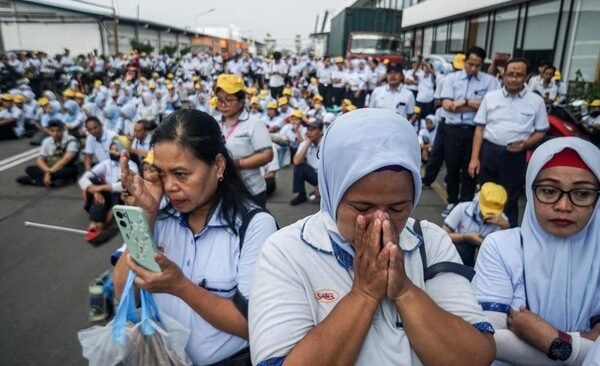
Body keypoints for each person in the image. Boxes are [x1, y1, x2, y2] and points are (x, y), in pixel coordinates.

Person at [249, 108, 495, 366]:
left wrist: (405, 291)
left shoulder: (429, 241)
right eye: (362, 208)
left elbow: (476, 355)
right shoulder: (286, 251)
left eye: (398, 208)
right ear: (332, 193)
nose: (381, 221)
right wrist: (364, 293)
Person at [114, 109, 278, 366]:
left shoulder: (254, 226)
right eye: (161, 173)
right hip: (159, 357)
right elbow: (122, 289)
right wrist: (144, 216)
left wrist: (181, 287)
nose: (169, 187)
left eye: (181, 174)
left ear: (219, 165)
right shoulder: (158, 215)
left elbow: (253, 325)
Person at [472, 137, 600, 365]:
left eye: (582, 194)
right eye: (549, 191)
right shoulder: (501, 247)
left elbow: (502, 342)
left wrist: (553, 340)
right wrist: (586, 344)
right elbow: (487, 342)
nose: (563, 206)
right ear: (530, 191)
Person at [469, 57, 548, 227]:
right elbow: (479, 129)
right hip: (489, 151)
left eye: (519, 75)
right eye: (510, 74)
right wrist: (474, 158)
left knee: (510, 196)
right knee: (486, 192)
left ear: (526, 77)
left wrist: (526, 144)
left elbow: (541, 131)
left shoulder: (536, 101)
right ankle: (482, 230)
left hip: (515, 155)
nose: (514, 78)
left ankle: (509, 233)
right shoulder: (491, 97)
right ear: (503, 75)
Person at [440, 46, 500, 218]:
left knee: (471, 169)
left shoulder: (490, 82)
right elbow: (447, 106)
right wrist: (474, 104)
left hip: (475, 132)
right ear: (465, 61)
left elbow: (489, 108)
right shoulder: (451, 80)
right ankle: (452, 201)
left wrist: (461, 103)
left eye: (477, 65)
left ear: (482, 65)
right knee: (452, 167)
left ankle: (465, 204)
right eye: (470, 64)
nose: (473, 68)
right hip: (453, 130)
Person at [215, 74, 273, 207]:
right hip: (221, 191)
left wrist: (236, 164)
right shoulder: (214, 123)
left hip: (250, 190)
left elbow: (266, 155)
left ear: (241, 101)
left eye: (229, 99)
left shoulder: (255, 124)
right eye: (219, 100)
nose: (223, 104)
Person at [79, 136, 138, 238]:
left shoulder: (132, 166)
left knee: (121, 190)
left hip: (120, 195)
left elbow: (123, 186)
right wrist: (95, 191)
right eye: (111, 149)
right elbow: (84, 178)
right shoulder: (106, 163)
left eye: (116, 150)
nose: (112, 152)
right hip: (106, 194)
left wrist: (101, 188)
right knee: (93, 183)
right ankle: (95, 221)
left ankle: (103, 224)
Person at [442, 182, 509, 267]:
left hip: (486, 253)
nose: (489, 214)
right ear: (478, 201)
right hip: (461, 248)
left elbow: (504, 251)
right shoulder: (462, 208)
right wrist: (465, 237)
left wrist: (506, 228)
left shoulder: (502, 221)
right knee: (462, 250)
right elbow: (442, 235)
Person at [16, 120, 79, 186]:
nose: (55, 133)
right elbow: (40, 159)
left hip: (66, 166)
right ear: (48, 131)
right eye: (52, 131)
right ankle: (54, 181)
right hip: (50, 166)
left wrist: (49, 172)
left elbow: (65, 161)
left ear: (63, 130)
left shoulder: (71, 140)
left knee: (67, 172)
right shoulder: (47, 141)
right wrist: (48, 171)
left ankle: (33, 181)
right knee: (29, 169)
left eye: (58, 130)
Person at [289, 117, 322, 206]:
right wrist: (308, 142)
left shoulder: (327, 143)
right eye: (308, 129)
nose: (309, 132)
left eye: (313, 129)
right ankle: (301, 194)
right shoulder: (305, 143)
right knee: (299, 166)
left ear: (321, 131)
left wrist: (322, 185)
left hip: (328, 178)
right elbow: (296, 161)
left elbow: (333, 169)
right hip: (315, 174)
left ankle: (326, 192)